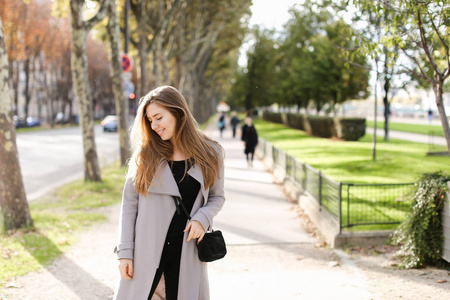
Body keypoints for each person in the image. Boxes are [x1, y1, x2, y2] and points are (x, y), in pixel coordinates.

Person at [113, 86, 225, 300]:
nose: (154, 126)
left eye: (158, 117)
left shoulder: (212, 153)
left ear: (178, 112)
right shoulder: (145, 156)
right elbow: (129, 205)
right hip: (146, 256)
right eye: (149, 120)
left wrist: (202, 218)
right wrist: (124, 253)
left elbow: (217, 197)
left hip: (187, 256)